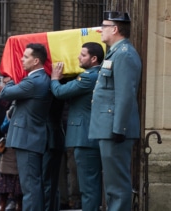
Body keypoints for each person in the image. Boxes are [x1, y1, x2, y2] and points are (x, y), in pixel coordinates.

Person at [88, 11, 142, 211]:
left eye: (104, 25)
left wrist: (119, 128)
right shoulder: (116, 52)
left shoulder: (125, 54)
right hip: (108, 127)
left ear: (115, 29)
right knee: (111, 185)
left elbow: (125, 94)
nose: (100, 29)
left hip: (115, 129)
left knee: (117, 186)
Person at [51, 42, 105, 210]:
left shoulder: (88, 77)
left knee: (88, 186)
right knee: (91, 184)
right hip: (90, 136)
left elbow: (60, 92)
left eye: (83, 55)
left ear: (94, 58)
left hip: (84, 137)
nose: (78, 57)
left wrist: (54, 79)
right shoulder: (97, 75)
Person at [0, 43, 53, 211]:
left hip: (29, 138)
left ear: (36, 61)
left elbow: (4, 94)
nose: (22, 59)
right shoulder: (37, 79)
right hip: (31, 138)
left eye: (26, 57)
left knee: (30, 185)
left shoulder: (34, 81)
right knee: (31, 184)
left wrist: (11, 80)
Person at [0, 106, 23, 211]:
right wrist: (12, 121)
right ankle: (2, 203)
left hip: (21, 146)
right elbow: (2, 128)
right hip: (9, 147)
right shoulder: (9, 111)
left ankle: (19, 204)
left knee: (19, 180)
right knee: (5, 178)